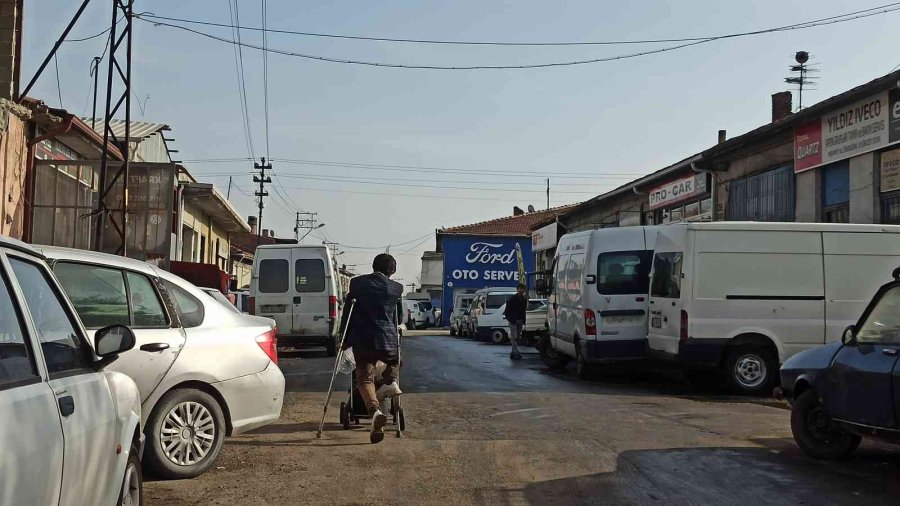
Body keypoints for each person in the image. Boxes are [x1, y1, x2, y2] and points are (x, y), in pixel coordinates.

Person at [340, 253, 404, 444]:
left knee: (364, 378)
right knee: (395, 359)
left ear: (373, 266)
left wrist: (343, 337)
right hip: (388, 340)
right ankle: (390, 381)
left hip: (363, 340)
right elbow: (398, 319)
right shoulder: (396, 288)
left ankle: (374, 410)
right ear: (391, 271)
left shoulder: (357, 284)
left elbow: (347, 312)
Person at [503, 283, 528, 361]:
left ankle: (513, 353)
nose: (521, 290)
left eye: (523, 289)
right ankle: (516, 353)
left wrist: (523, 320)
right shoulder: (512, 299)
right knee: (514, 337)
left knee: (516, 337)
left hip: (520, 320)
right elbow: (506, 311)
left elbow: (523, 311)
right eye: (520, 289)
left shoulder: (524, 300)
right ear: (517, 289)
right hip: (513, 320)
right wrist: (510, 319)